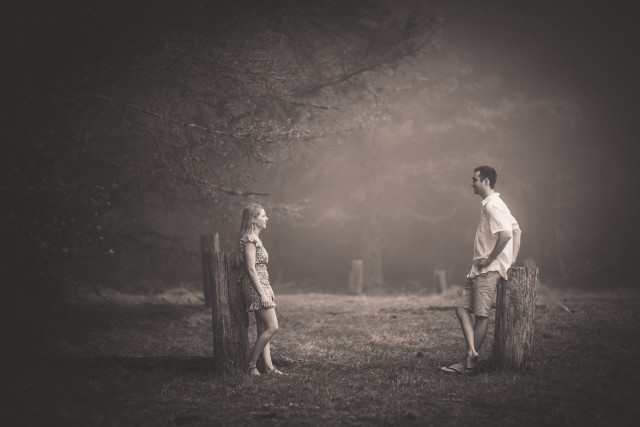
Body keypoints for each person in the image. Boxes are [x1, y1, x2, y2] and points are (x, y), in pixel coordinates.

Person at [440, 166, 521, 375]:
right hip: (478, 269)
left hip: (488, 270)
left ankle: (468, 363)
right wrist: (510, 260)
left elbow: (507, 234)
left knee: (481, 315)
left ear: (485, 181)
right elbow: (517, 230)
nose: (472, 183)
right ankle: (471, 352)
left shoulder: (493, 206)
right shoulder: (495, 204)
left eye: (475, 180)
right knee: (461, 309)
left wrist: (494, 260)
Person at [234, 203, 283, 376]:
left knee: (263, 329)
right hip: (255, 288)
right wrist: (262, 293)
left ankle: (268, 367)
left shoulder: (256, 238)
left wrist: (268, 289)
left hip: (262, 285)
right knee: (273, 327)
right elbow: (251, 269)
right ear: (253, 219)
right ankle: (251, 364)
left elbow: (261, 269)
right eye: (263, 215)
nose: (266, 218)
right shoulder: (250, 239)